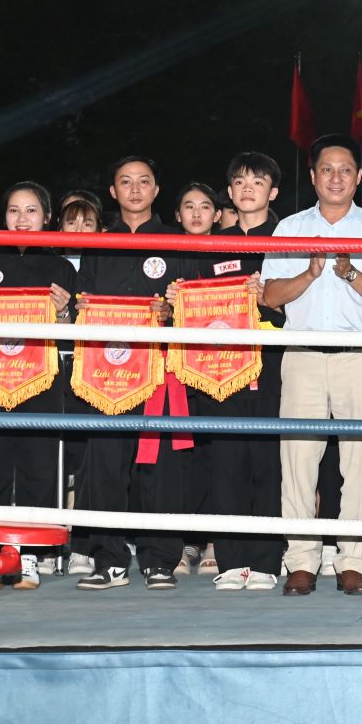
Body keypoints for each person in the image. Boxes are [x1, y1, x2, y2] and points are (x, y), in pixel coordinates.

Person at [262, 135, 362, 597]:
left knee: (359, 463)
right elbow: (270, 295)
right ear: (312, 176)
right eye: (327, 169)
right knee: (297, 461)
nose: (336, 177)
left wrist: (350, 273)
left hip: (358, 356)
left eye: (345, 169)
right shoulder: (290, 228)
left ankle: (351, 560)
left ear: (359, 177)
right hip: (302, 355)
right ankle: (301, 560)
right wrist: (309, 273)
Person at [74, 156, 193, 591]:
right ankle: (108, 559)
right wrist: (80, 307)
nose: (136, 189)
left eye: (144, 181)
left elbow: (191, 304)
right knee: (105, 465)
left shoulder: (178, 241)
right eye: (126, 182)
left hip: (158, 369)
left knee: (158, 467)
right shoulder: (99, 243)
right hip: (106, 372)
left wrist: (171, 310)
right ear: (113, 191)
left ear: (157, 190)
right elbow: (81, 302)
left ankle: (160, 559)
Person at [0, 181, 76, 591]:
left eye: (31, 211)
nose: (22, 219)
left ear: (47, 217)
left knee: (38, 471)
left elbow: (73, 333)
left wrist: (62, 312)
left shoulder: (61, 267)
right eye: (13, 210)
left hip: (41, 381)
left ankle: (29, 559)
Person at [185, 153, 288, 591]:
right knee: (224, 463)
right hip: (220, 368)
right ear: (229, 192)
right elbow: (192, 305)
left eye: (258, 182)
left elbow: (302, 305)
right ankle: (230, 560)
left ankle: (265, 561)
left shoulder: (288, 239)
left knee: (266, 463)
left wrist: (269, 299)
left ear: (273, 192)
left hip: (271, 367)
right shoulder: (211, 244)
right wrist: (179, 297)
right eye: (240, 182)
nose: (248, 189)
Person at [169, 181, 223, 577]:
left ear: (217, 214)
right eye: (189, 206)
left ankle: (215, 540)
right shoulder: (164, 255)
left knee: (216, 452)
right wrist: (165, 303)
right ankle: (183, 541)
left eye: (205, 206)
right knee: (179, 457)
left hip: (222, 367)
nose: (197, 213)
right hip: (176, 369)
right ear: (178, 215)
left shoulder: (229, 251)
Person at [54, 190, 102, 576]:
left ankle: (85, 545)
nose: (80, 229)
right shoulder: (43, 262)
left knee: (92, 456)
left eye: (88, 222)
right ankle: (44, 544)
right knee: (52, 456)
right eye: (72, 221)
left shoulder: (109, 260)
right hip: (49, 367)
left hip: (100, 367)